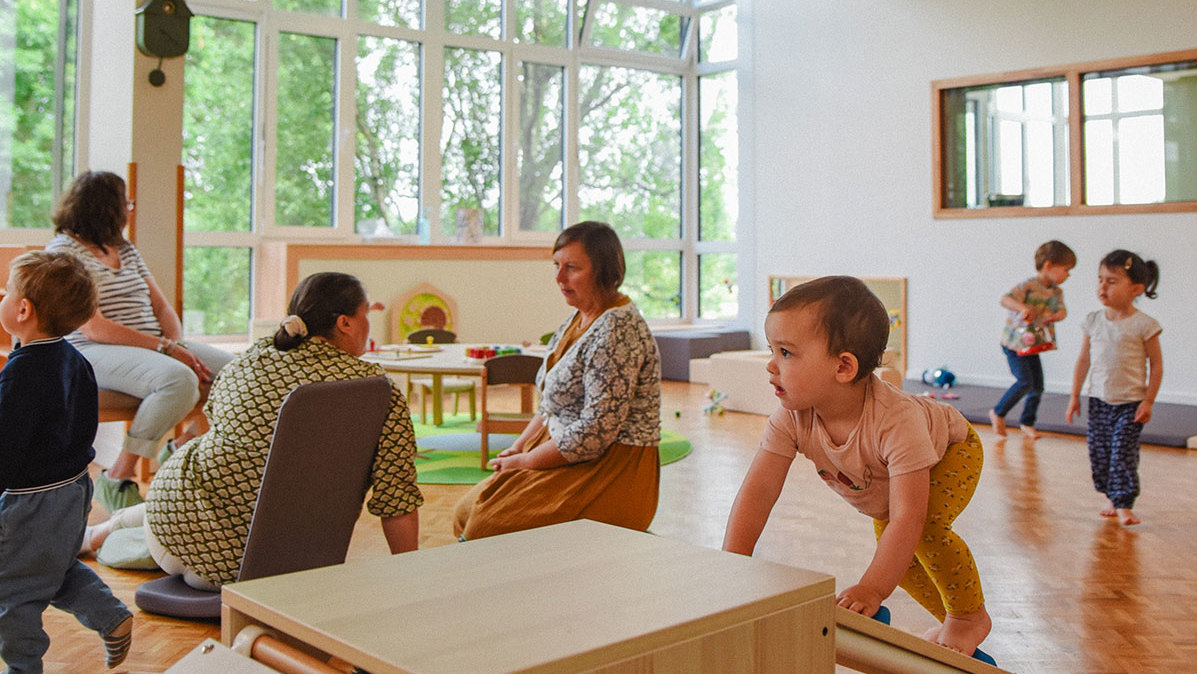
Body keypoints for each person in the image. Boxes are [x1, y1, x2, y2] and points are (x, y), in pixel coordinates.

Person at [80, 272, 422, 588]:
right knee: (217, 498)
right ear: (345, 322)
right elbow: (398, 501)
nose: (369, 323)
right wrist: (409, 579)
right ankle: (100, 534)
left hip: (181, 530)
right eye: (366, 314)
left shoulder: (250, 360)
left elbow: (216, 423)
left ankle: (96, 534)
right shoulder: (378, 391)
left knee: (204, 491)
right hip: (275, 563)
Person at [723, 276, 991, 658]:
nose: (770, 365)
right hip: (892, 473)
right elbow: (759, 492)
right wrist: (731, 563)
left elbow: (908, 516)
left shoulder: (896, 422)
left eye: (786, 353)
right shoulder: (791, 418)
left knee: (923, 529)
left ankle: (968, 618)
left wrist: (871, 590)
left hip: (951, 450)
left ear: (844, 366)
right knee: (898, 550)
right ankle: (953, 618)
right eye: (772, 350)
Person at [453, 221, 662, 541]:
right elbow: (550, 404)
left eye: (572, 268)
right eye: (556, 266)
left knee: (486, 527)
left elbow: (595, 433)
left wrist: (527, 461)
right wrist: (517, 448)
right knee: (465, 513)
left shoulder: (617, 329)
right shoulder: (581, 316)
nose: (559, 277)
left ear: (604, 271)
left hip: (612, 467)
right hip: (565, 451)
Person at [45, 170, 234, 515]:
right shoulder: (64, 252)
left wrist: (175, 345)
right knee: (179, 380)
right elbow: (94, 328)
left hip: (152, 345)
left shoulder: (124, 249)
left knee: (239, 374)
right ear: (106, 208)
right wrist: (165, 350)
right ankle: (118, 477)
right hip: (92, 350)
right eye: (126, 203)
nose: (130, 210)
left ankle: (182, 449)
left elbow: (161, 306)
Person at [0, 251, 133, 671]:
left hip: (31, 502)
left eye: (7, 291)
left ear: (23, 310)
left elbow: (6, 447)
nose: (2, 296)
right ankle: (110, 615)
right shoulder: (75, 360)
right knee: (50, 566)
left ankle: (23, 667)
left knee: (13, 589)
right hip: (73, 490)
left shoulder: (20, 373)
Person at [1066, 250, 1162, 527]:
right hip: (1099, 400)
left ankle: (1123, 502)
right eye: (1100, 280)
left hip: (1131, 403)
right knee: (1100, 453)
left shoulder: (1144, 325)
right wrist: (1075, 396)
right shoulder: (1093, 321)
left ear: (1135, 289)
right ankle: (1111, 495)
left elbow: (1156, 365)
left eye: (1111, 281)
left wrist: (1148, 400)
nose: (1102, 287)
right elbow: (1083, 360)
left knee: (1122, 452)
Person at [988, 240, 1075, 440]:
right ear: (1048, 266)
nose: (1068, 275)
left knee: (1037, 386)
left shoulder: (1056, 292)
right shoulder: (1027, 286)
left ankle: (1027, 422)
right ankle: (998, 412)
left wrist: (1058, 316)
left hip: (1032, 346)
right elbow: (1005, 299)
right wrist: (1023, 308)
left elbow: (1062, 311)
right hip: (1014, 344)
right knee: (1025, 381)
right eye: (1066, 269)